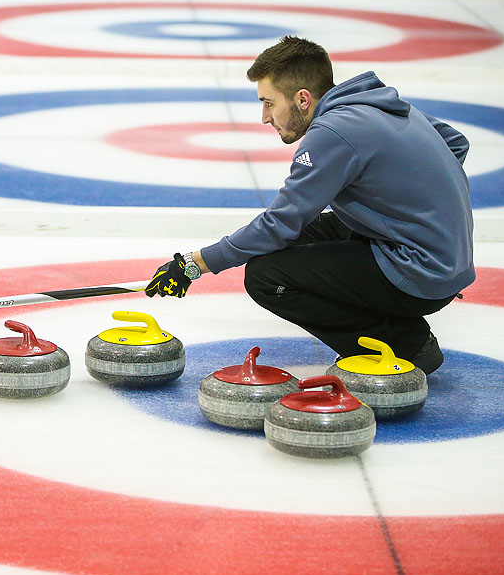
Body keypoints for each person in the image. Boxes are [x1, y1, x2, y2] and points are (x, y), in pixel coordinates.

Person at [145, 36, 474, 375]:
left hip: (422, 272)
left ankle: (407, 344)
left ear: (302, 99)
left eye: (269, 103)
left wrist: (194, 264)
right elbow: (455, 143)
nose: (264, 117)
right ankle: (397, 314)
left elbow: (278, 224)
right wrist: (410, 212)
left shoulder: (333, 131)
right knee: (298, 238)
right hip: (444, 257)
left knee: (265, 276)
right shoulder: (376, 105)